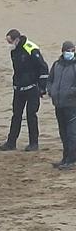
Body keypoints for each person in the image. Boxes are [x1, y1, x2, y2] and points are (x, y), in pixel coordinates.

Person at [0, 30, 50, 152]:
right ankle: (11, 142)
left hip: (32, 88)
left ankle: (34, 143)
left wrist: (42, 87)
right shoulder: (14, 51)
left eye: (10, 41)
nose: (9, 44)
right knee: (16, 115)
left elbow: (43, 67)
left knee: (31, 115)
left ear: (17, 39)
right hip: (18, 88)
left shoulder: (31, 49)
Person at [47, 41, 76, 170]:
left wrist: (71, 92)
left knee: (72, 134)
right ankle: (65, 158)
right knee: (63, 133)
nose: (69, 52)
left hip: (72, 105)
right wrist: (51, 90)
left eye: (72, 50)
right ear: (62, 51)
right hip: (59, 104)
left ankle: (71, 160)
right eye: (67, 50)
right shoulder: (57, 65)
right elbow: (50, 79)